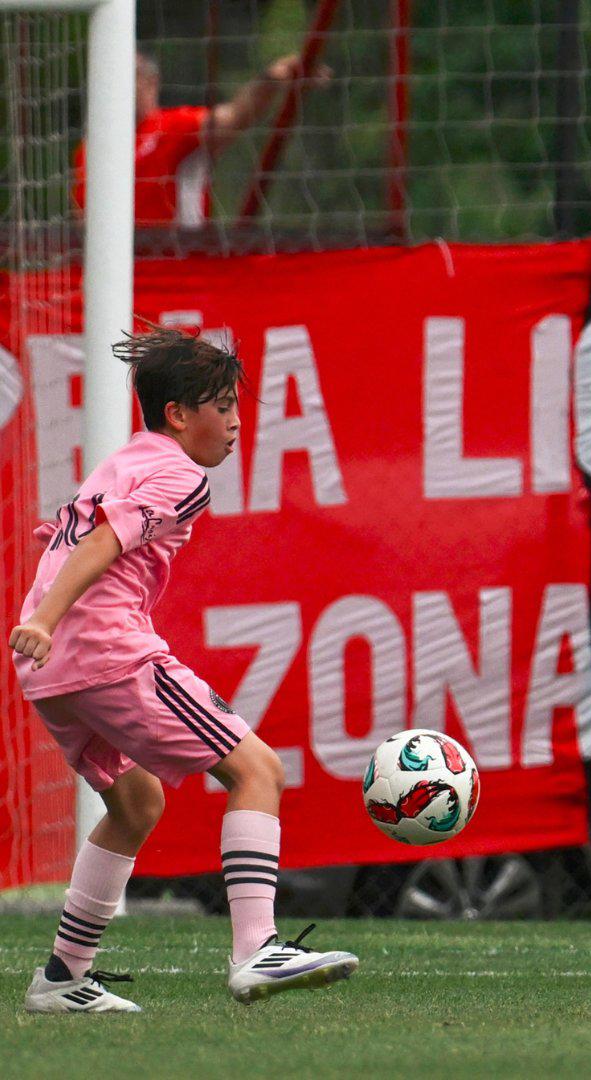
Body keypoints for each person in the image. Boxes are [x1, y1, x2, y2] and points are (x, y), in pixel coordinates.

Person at [9, 327, 357, 1012]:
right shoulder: (180, 473)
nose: (234, 422)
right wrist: (47, 619)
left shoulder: (123, 462)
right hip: (102, 651)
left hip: (51, 673)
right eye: (222, 406)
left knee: (137, 804)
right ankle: (257, 948)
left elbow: (72, 531)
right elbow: (107, 539)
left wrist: (44, 622)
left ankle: (61, 978)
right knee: (258, 770)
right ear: (177, 414)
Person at [72, 51, 331, 228]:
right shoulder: (93, 149)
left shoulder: (176, 125)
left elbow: (235, 116)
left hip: (179, 266)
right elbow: (82, 220)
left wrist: (272, 79)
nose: (119, 83)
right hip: (119, 277)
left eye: (130, 74)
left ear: (152, 81)